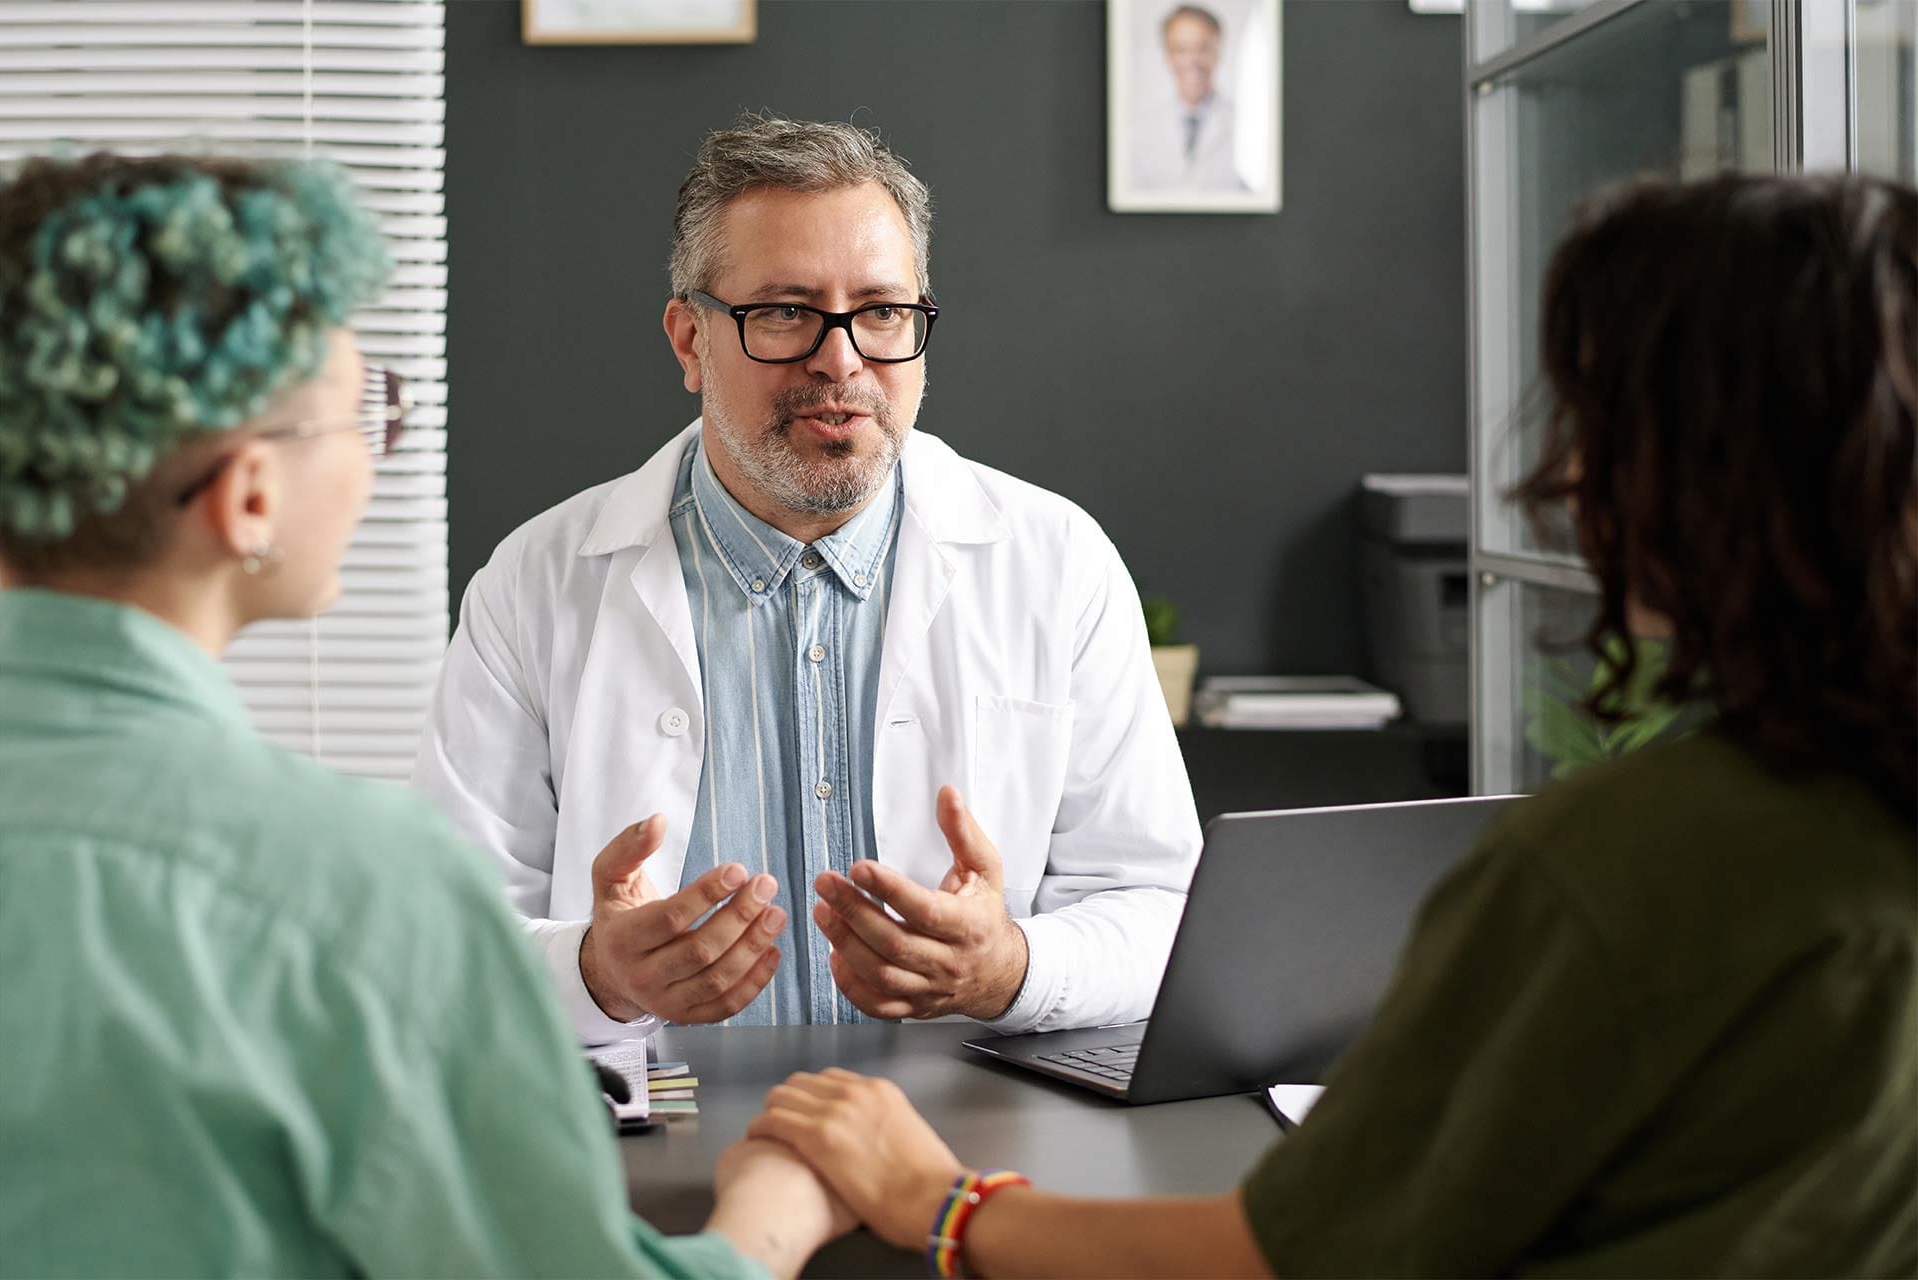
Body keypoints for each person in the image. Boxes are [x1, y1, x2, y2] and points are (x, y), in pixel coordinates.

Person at [745, 173, 1918, 1277]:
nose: (1569, 479)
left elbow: (1286, 1255)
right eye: (787, 312)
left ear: (1701, 475)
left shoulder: (1612, 870)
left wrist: (941, 1200)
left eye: (1603, 423)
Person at [0, 152, 848, 1278]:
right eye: (364, 413)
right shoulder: (347, 888)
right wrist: (776, 1210)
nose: (376, 445)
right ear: (250, 496)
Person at [413, 114, 1202, 1041]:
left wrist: (1009, 969)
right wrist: (597, 974)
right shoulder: (534, 585)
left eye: (881, 311)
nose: (842, 359)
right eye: (785, 312)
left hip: (959, 1122)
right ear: (690, 341)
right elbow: (441, 939)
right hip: (661, 1120)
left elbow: (1160, 908)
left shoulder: (1057, 563)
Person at [1132, 4, 1247, 193]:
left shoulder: (1247, 128)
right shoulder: (1138, 132)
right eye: (1181, 49)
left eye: (1202, 48)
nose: (1192, 60)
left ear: (1218, 51)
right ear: (1167, 56)